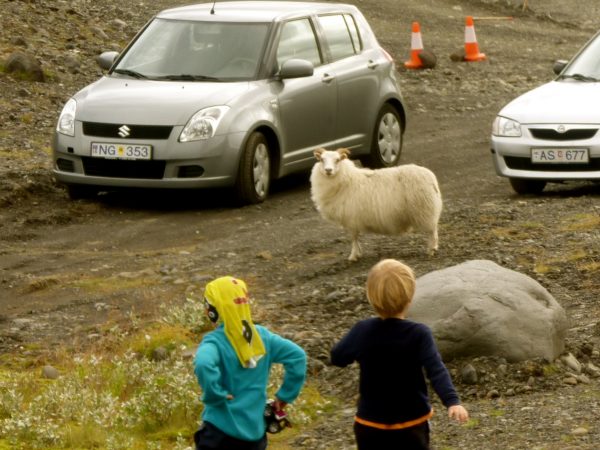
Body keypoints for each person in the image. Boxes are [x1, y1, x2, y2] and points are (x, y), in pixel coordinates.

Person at [330, 259, 469, 450]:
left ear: (371, 296)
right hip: (411, 424)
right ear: (410, 296)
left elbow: (337, 357)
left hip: (370, 424)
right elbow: (436, 370)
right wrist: (452, 401)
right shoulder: (419, 333)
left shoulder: (362, 330)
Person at [193, 275, 307, 450]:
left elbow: (203, 364)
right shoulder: (263, 337)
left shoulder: (214, 342)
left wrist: (214, 393)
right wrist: (285, 396)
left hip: (219, 433)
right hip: (255, 435)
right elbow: (298, 356)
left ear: (213, 310)